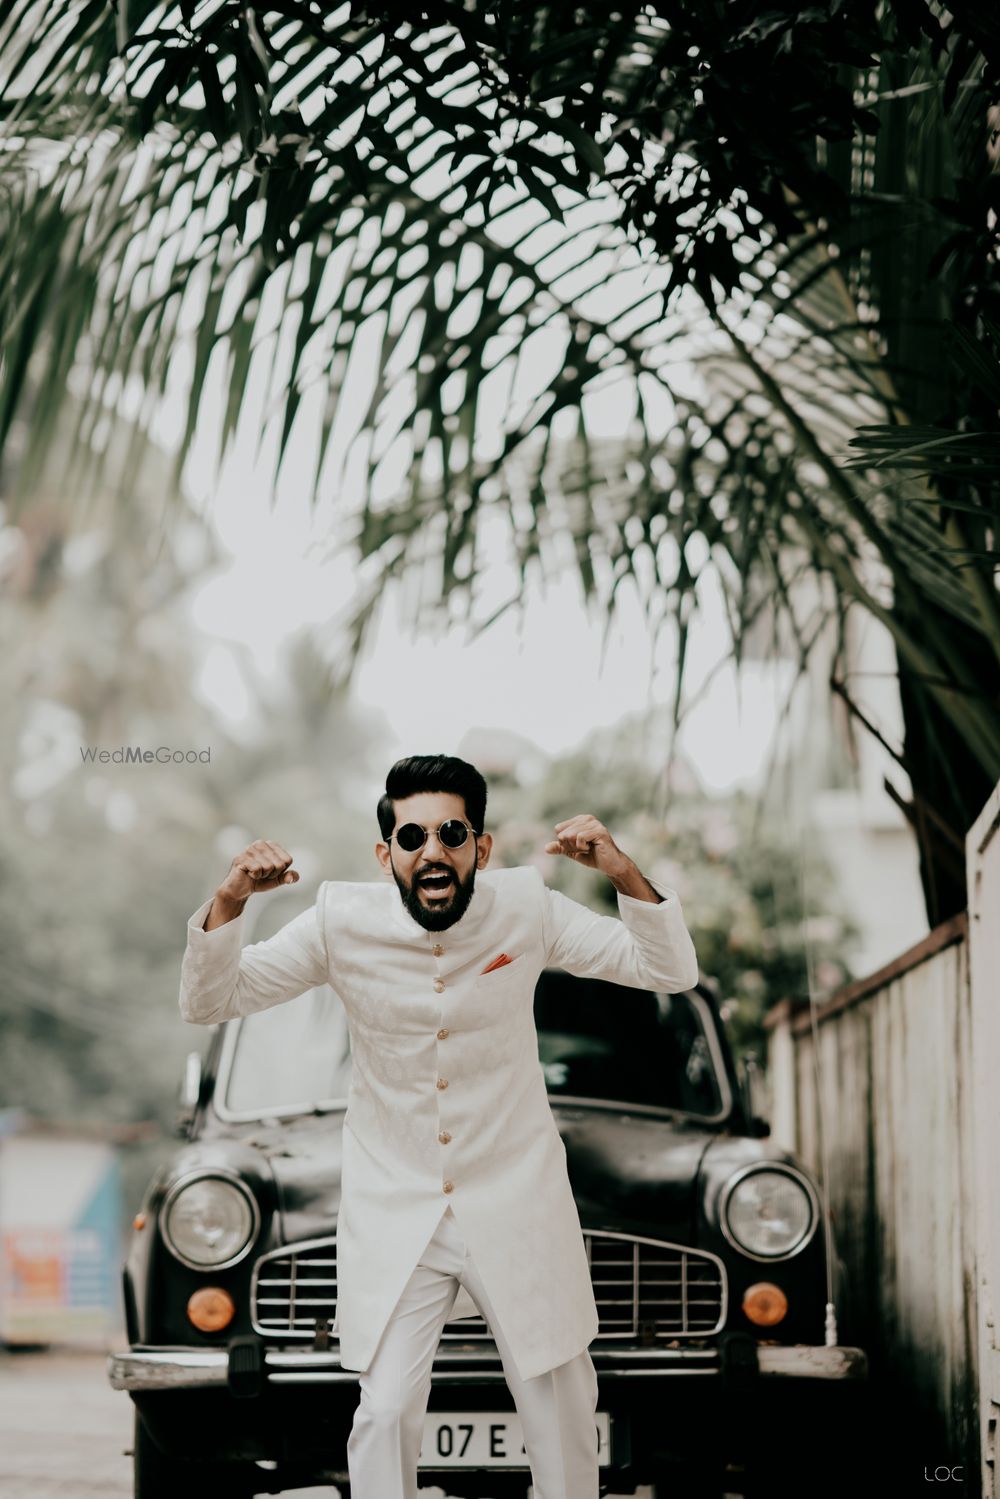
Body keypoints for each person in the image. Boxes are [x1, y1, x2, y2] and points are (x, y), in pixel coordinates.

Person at [179, 753, 699, 1499]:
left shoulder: (529, 909)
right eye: (413, 835)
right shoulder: (338, 921)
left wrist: (620, 871)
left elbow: (668, 968)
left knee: (560, 1407)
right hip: (397, 1206)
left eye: (452, 833)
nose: (434, 851)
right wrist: (234, 896)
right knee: (384, 1410)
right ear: (386, 852)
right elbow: (210, 998)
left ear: (480, 848)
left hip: (517, 1197)